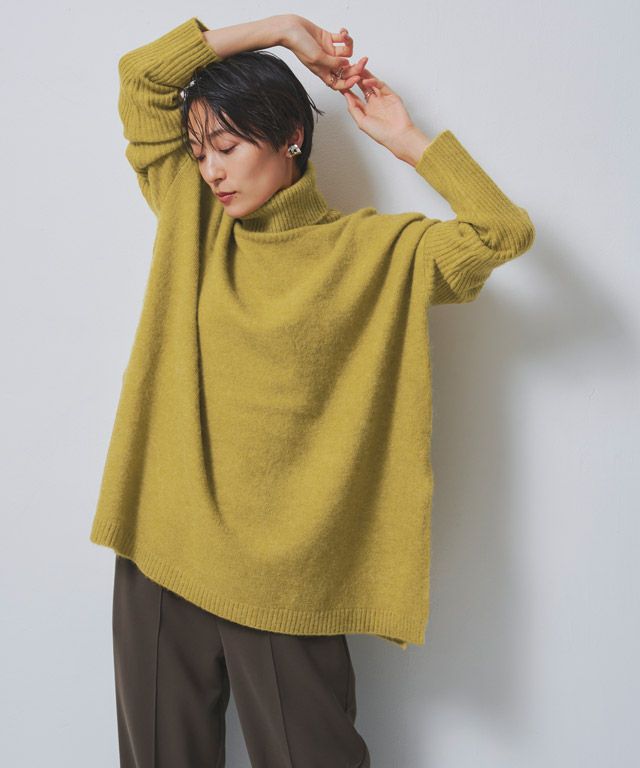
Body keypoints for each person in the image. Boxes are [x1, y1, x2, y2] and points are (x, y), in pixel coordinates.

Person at [91, 12, 535, 768]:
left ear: (290, 136)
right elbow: (142, 78)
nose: (212, 171)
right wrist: (283, 30)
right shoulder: (194, 220)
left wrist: (406, 139)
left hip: (285, 581)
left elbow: (502, 232)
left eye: (228, 146)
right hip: (163, 550)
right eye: (199, 152)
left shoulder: (373, 252)